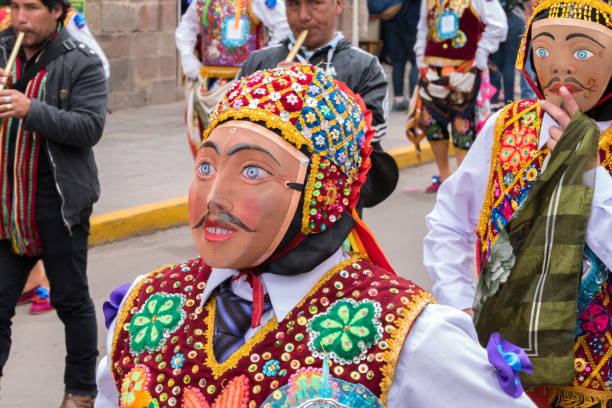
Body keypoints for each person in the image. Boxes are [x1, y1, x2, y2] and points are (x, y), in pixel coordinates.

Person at [95, 64, 536, 407]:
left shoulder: (406, 336)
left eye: (252, 171)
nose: (213, 196)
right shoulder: (147, 305)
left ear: (320, 195)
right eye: (206, 167)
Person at [423, 0, 612, 405]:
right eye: (543, 51)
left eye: (581, 52)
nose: (561, 68)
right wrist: (461, 311)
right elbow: (451, 221)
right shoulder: (507, 125)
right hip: (502, 371)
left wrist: (588, 178)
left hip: (597, 377)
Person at [0, 0, 108, 404]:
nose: (20, 17)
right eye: (14, 6)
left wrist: (31, 109)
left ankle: (80, 391)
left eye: (32, 7)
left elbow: (89, 127)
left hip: (58, 205)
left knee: (70, 300)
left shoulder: (81, 61)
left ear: (58, 11)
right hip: (7, 206)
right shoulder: (0, 48)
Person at [237, 0, 398, 210]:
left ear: (338, 5)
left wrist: (316, 88)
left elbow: (374, 129)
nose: (303, 16)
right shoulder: (258, 62)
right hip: (266, 203)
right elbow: (233, 127)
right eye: (294, 5)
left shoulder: (364, 65)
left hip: (333, 206)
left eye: (315, 3)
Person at [175, 0, 291, 156]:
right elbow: (186, 28)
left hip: (246, 84)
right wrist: (188, 59)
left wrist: (265, 61)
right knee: (208, 140)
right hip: (208, 83)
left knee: (243, 141)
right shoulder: (202, 2)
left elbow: (283, 25)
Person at [414, 0, 507, 193]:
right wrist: (420, 59)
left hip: (465, 72)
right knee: (433, 126)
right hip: (431, 72)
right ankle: (444, 175)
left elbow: (499, 26)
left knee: (462, 126)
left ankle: (461, 180)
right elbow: (423, 28)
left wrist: (481, 54)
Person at [381, 0, 421, 112]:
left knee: (398, 62)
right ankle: (413, 101)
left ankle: (398, 100)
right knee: (415, 62)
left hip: (392, 20)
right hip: (412, 20)